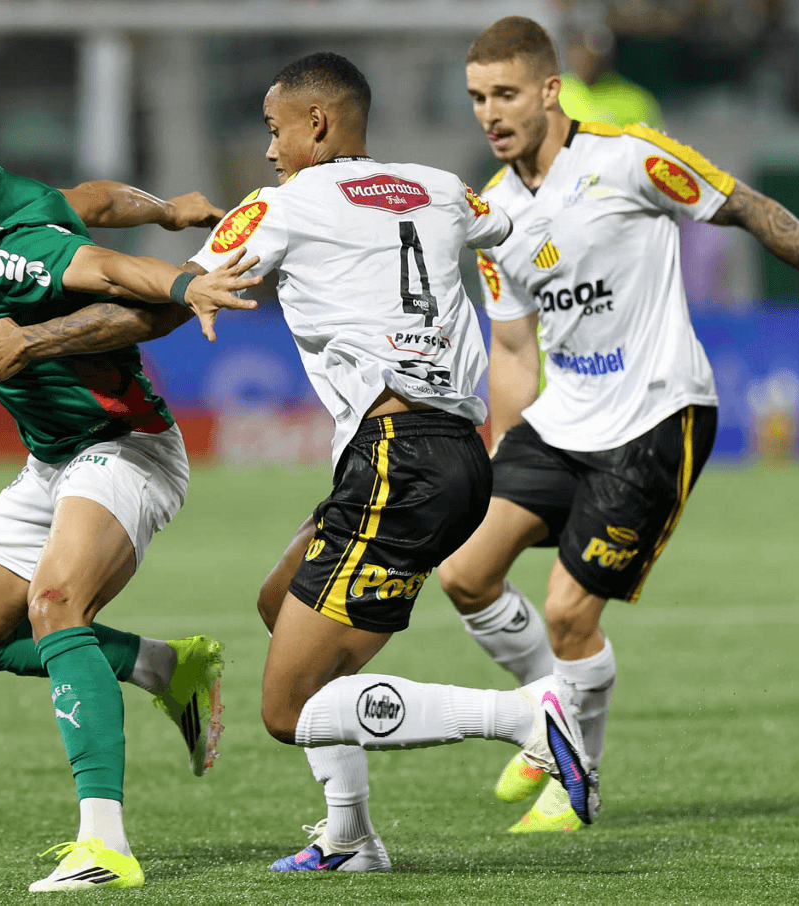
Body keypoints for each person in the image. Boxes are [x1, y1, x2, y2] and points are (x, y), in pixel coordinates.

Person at [439, 15, 799, 833]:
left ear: (551, 90)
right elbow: (514, 347)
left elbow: (745, 205)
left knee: (567, 613)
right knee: (463, 571)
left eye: (506, 94)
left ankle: (575, 775)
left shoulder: (630, 157)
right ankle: (547, 714)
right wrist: (500, 447)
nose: (490, 113)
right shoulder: (491, 213)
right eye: (477, 98)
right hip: (563, 418)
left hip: (655, 415)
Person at [186, 51, 597, 874]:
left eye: (274, 130)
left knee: (288, 709)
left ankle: (529, 716)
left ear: (316, 123)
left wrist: (60, 322)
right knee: (279, 603)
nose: (269, 150)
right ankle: (349, 836)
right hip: (450, 453)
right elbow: (518, 233)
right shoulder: (439, 187)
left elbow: (186, 286)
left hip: (397, 460)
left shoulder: (282, 203)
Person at [0, 107, 261, 891]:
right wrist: (168, 208)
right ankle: (165, 667)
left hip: (124, 448)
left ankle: (104, 846)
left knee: (55, 605)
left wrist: (187, 282)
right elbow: (96, 200)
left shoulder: (13, 252)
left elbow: (106, 268)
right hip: (53, 462)